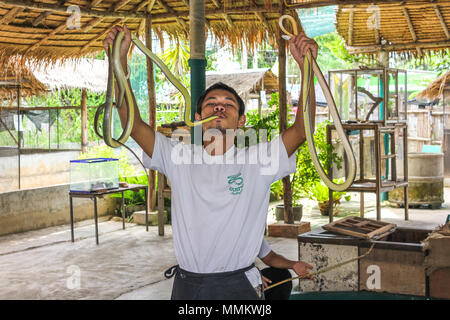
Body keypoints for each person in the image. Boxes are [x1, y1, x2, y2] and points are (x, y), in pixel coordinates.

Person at [103, 24, 318, 300]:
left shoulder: (258, 160)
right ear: (196, 117)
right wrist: (118, 64)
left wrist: (307, 70)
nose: (219, 106)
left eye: (228, 103)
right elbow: (132, 125)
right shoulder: (178, 157)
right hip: (188, 287)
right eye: (211, 103)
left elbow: (302, 131)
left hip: (240, 286)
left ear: (241, 121)